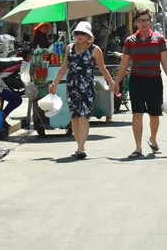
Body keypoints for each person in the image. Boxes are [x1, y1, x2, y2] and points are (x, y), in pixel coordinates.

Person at [49, 21, 117, 159]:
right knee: (74, 116)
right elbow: (64, 68)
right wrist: (54, 83)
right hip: (72, 86)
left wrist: (112, 83)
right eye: (77, 33)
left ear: (88, 36)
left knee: (84, 116)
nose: (79, 36)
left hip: (86, 87)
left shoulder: (95, 50)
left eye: (83, 34)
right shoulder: (69, 48)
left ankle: (81, 147)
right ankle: (79, 145)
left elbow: (102, 68)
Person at [115, 10, 167, 158]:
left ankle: (153, 140)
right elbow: (125, 62)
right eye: (141, 20)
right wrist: (117, 81)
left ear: (150, 22)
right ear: (136, 23)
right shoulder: (130, 41)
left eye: (146, 20)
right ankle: (138, 147)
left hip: (154, 80)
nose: (143, 23)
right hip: (137, 80)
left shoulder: (159, 39)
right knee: (137, 113)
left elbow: (164, 61)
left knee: (154, 114)